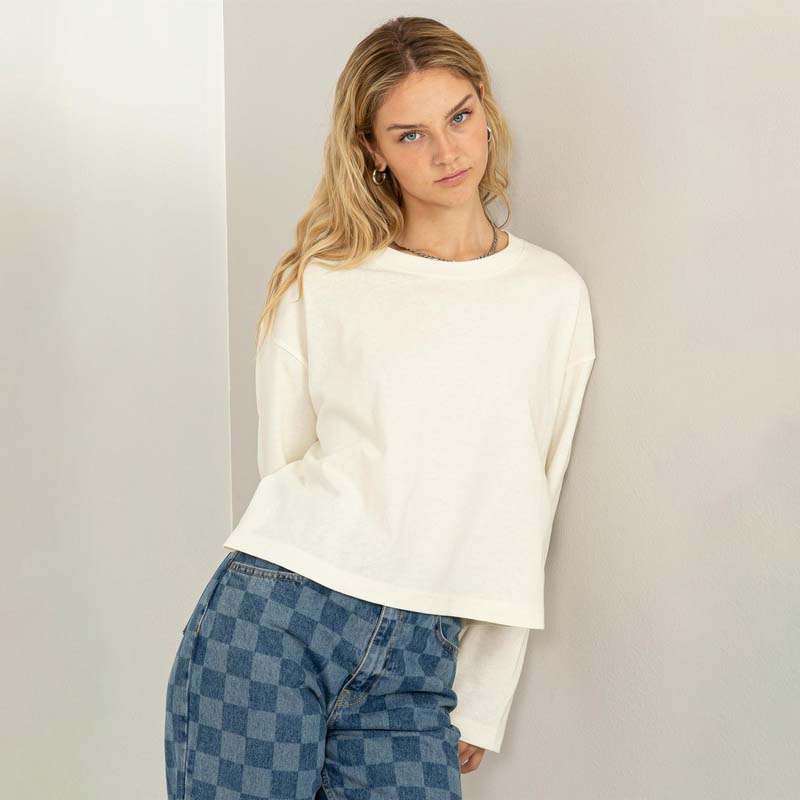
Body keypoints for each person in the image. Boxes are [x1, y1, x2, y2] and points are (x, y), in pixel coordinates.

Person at [165, 15, 596, 800]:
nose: (447, 152)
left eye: (459, 117)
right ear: (372, 150)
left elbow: (530, 497)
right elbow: (283, 466)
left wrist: (483, 695)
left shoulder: (552, 295)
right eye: (410, 134)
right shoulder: (324, 280)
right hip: (274, 624)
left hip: (420, 661)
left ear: (486, 108)